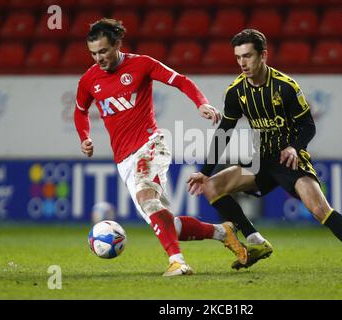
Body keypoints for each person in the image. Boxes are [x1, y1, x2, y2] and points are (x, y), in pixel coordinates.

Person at [187, 29, 342, 272]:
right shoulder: (236, 92)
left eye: (247, 56)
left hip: (289, 160)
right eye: (238, 57)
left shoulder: (286, 87)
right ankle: (255, 240)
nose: (242, 63)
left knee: (319, 209)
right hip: (260, 161)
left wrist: (294, 147)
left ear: (263, 55)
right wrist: (205, 172)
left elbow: (308, 126)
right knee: (211, 185)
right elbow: (224, 132)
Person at [74, 18, 249, 277]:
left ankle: (177, 262)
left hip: (150, 145)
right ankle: (223, 232)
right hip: (124, 161)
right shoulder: (89, 80)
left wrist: (200, 103)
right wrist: (84, 137)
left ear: (117, 45)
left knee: (147, 198)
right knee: (166, 221)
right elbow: (80, 112)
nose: (98, 58)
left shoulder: (141, 64)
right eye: (93, 53)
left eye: (103, 51)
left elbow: (180, 80)